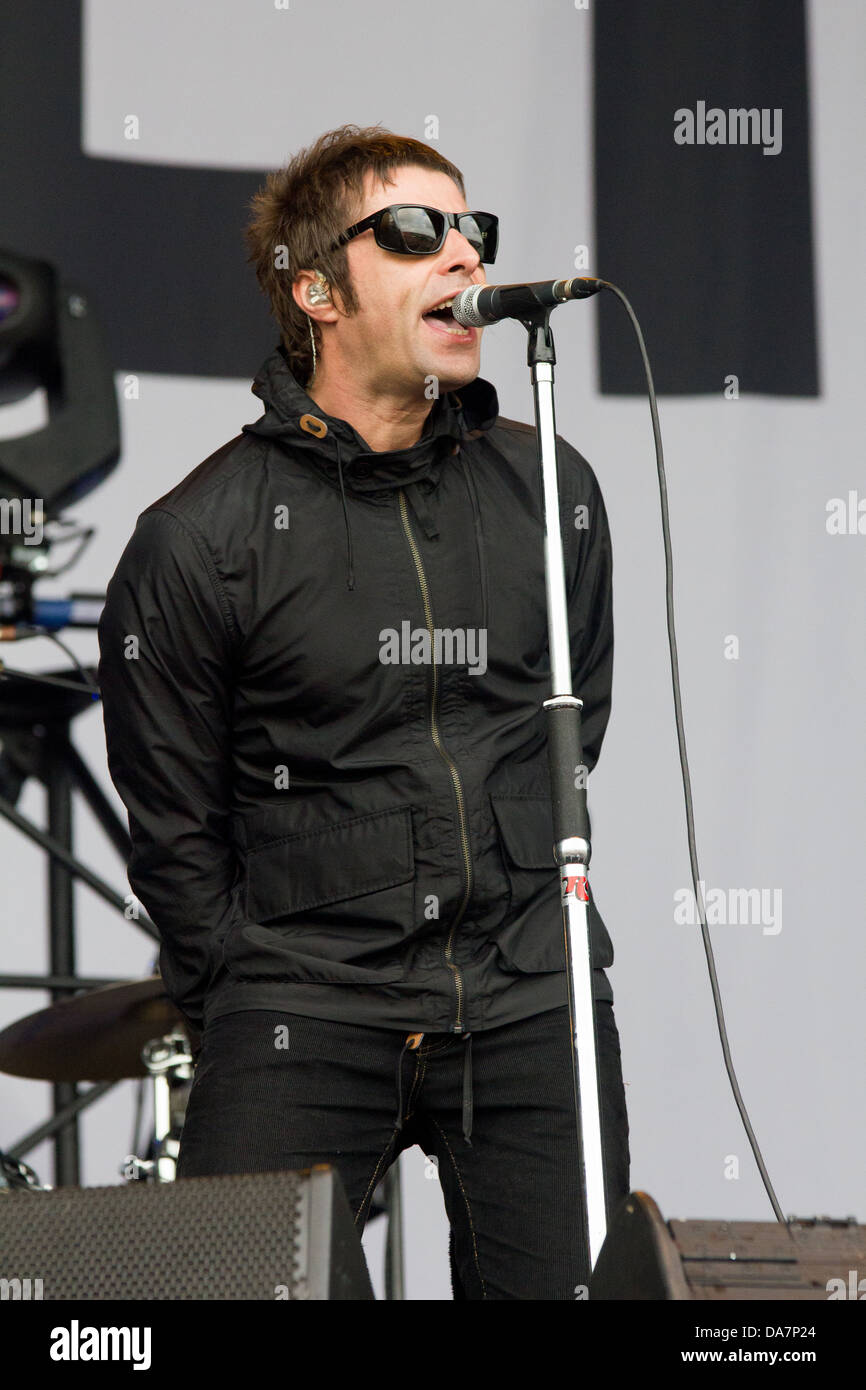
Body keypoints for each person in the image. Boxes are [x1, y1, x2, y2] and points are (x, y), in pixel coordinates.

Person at [97, 124, 629, 1300]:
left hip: (528, 987)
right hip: (300, 996)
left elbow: (570, 721)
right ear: (314, 291)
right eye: (410, 231)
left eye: (470, 231)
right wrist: (249, 982)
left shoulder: (551, 488)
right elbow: (173, 830)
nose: (460, 257)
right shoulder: (198, 539)